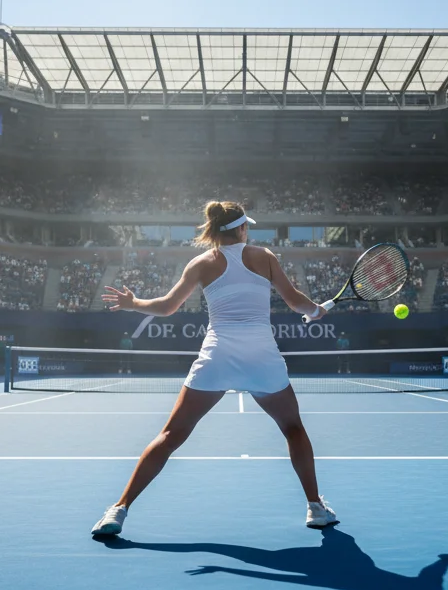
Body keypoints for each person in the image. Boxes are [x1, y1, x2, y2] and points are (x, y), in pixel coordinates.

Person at [92, 201, 337, 536]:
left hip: (217, 357)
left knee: (169, 436)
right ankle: (316, 508)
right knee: (293, 428)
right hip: (261, 358)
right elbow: (296, 302)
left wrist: (132, 303)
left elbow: (166, 307)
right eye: (246, 226)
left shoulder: (200, 263)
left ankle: (117, 511)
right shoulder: (264, 256)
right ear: (241, 228)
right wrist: (316, 311)